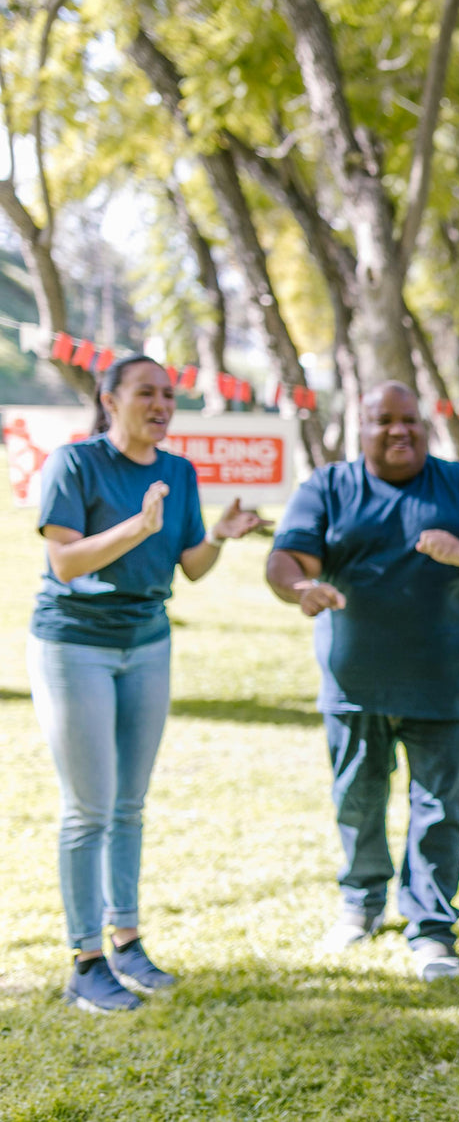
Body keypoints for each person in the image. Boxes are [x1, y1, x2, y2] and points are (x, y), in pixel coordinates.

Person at [266, 382, 459, 981]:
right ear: (359, 427)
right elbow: (288, 556)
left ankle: (432, 927)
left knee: (438, 809)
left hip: (441, 682)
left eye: (409, 419)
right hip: (354, 684)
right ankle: (361, 904)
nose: (399, 430)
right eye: (383, 420)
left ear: (424, 423)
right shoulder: (329, 487)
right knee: (357, 800)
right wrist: (300, 588)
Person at [28, 354, 267, 1012]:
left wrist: (218, 534)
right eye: (146, 393)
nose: (162, 405)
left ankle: (127, 942)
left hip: (148, 643)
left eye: (169, 394)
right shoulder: (74, 464)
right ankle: (86, 961)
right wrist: (139, 524)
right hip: (75, 643)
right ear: (109, 400)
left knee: (129, 804)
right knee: (89, 808)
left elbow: (191, 565)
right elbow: (64, 560)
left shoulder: (179, 472)